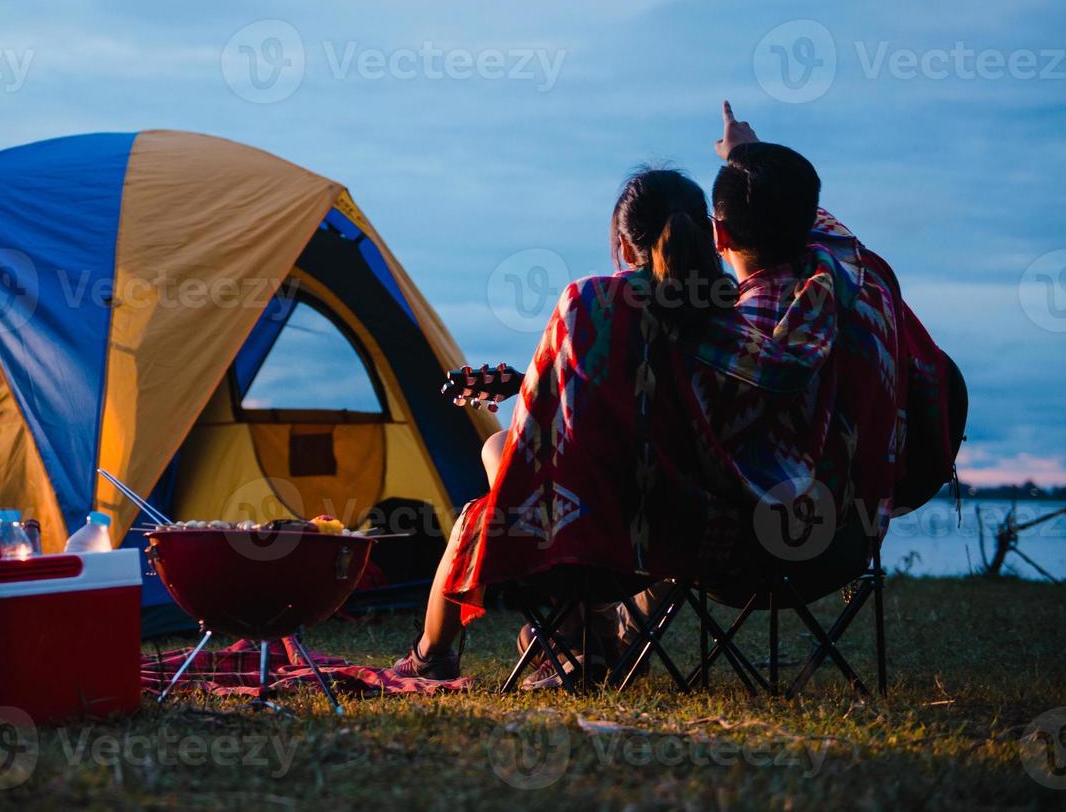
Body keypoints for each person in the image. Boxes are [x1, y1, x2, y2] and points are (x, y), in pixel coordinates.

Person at [396, 102, 958, 685]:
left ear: (717, 236)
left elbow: (553, 444)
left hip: (669, 541)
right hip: (831, 538)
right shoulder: (836, 291)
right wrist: (746, 160)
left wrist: (544, 380)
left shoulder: (602, 308)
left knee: (497, 467)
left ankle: (523, 645)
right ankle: (576, 642)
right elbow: (826, 238)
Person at [392, 164, 734, 680]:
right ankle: (586, 637)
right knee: (525, 462)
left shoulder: (589, 300)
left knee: (488, 480)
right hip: (697, 532)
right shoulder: (730, 309)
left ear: (622, 242)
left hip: (591, 546)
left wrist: (527, 390)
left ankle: (435, 655)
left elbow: (538, 436)